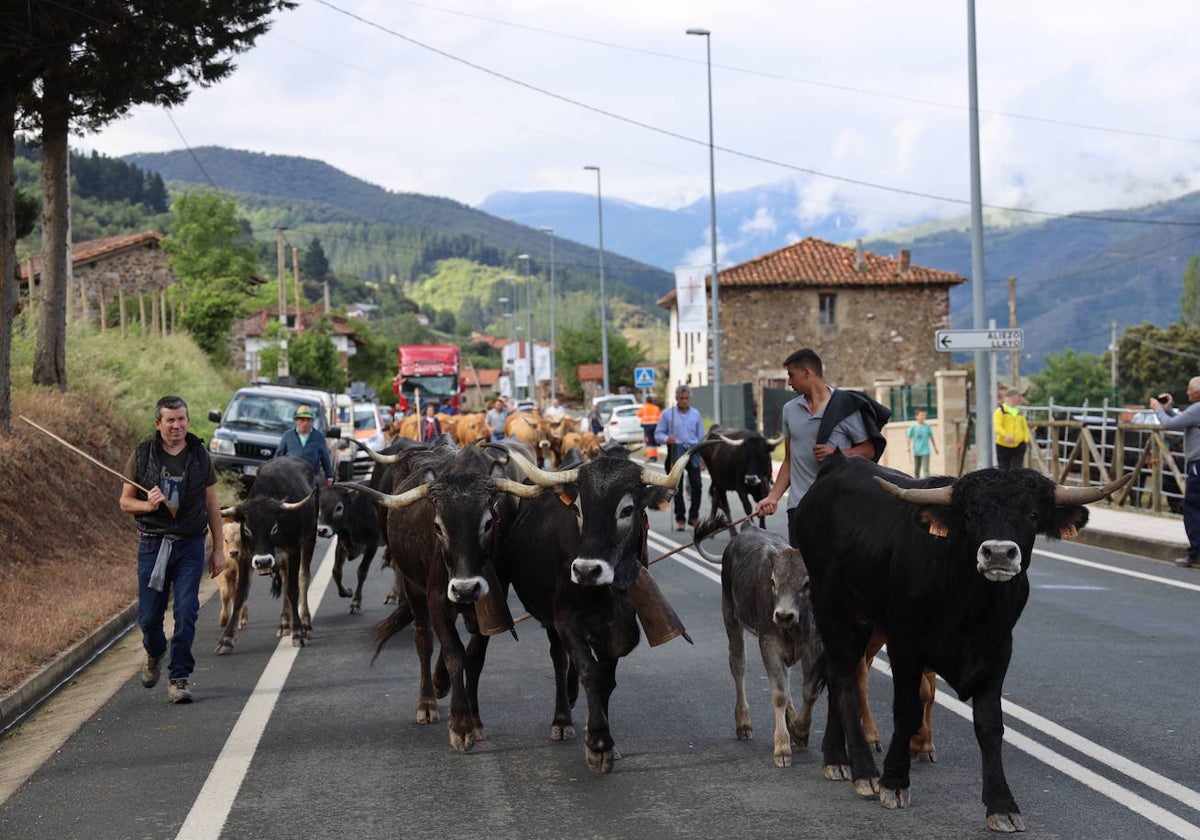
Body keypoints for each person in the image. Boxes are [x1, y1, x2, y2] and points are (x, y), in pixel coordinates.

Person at [119, 395, 225, 704]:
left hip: (191, 546)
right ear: (158, 424)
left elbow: (212, 504)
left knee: (187, 610)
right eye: (170, 420)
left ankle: (179, 677)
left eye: (181, 419)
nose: (176, 425)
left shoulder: (200, 455)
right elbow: (125, 502)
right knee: (150, 618)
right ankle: (155, 652)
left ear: (188, 421)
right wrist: (147, 504)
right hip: (153, 543)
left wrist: (218, 549)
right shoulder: (142, 455)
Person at [754, 348, 880, 548]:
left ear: (807, 372)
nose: (788, 382)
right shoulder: (790, 410)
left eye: (791, 375)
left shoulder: (845, 408)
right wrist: (772, 497)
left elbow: (869, 451)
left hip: (838, 507)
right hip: (799, 507)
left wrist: (838, 455)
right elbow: (789, 461)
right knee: (800, 573)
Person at [1151, 378, 1200, 568]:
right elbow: (1181, 421)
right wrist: (1168, 409)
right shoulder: (1195, 410)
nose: (1187, 393)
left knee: (1193, 507)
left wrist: (1157, 408)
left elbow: (1170, 425)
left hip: (1198, 464)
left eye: (1189, 389)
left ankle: (1196, 554)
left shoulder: (1197, 408)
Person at [655, 385, 706, 531]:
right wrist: (667, 438)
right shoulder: (667, 414)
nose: (684, 401)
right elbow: (658, 435)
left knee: (697, 485)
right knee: (676, 487)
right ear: (676, 398)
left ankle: (693, 517)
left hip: (693, 450)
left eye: (686, 398)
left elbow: (701, 437)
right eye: (681, 398)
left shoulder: (695, 414)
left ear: (689, 398)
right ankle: (680, 519)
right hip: (675, 450)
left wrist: (703, 458)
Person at [275, 404, 335, 485]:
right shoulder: (288, 435)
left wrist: (329, 476)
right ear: (296, 421)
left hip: (311, 478)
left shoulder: (319, 437)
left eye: (308, 420)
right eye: (302, 420)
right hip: (290, 477)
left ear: (312, 422)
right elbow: (279, 456)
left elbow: (325, 458)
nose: (305, 423)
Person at [994, 390, 1030, 470]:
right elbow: (997, 426)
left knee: (1017, 468)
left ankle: (1016, 482)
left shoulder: (1019, 411)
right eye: (1017, 397)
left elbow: (1024, 427)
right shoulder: (1001, 411)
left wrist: (1026, 440)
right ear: (1010, 398)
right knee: (1004, 469)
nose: (1019, 399)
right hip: (1003, 445)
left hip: (1019, 445)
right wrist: (1005, 435)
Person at [906, 408, 938, 478]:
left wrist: (935, 448)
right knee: (916, 470)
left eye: (924, 415)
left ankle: (927, 485)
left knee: (926, 470)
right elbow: (909, 437)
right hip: (916, 451)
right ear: (917, 416)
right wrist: (908, 447)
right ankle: (916, 484)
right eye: (922, 415)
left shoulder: (927, 427)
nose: (923, 417)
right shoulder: (913, 427)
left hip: (925, 451)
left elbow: (931, 437)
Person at [637, 395, 662, 462]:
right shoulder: (656, 408)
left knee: (649, 441)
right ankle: (655, 456)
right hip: (655, 426)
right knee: (654, 441)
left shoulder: (643, 408)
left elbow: (638, 414)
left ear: (646, 401)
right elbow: (660, 417)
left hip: (647, 427)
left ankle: (651, 456)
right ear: (652, 401)